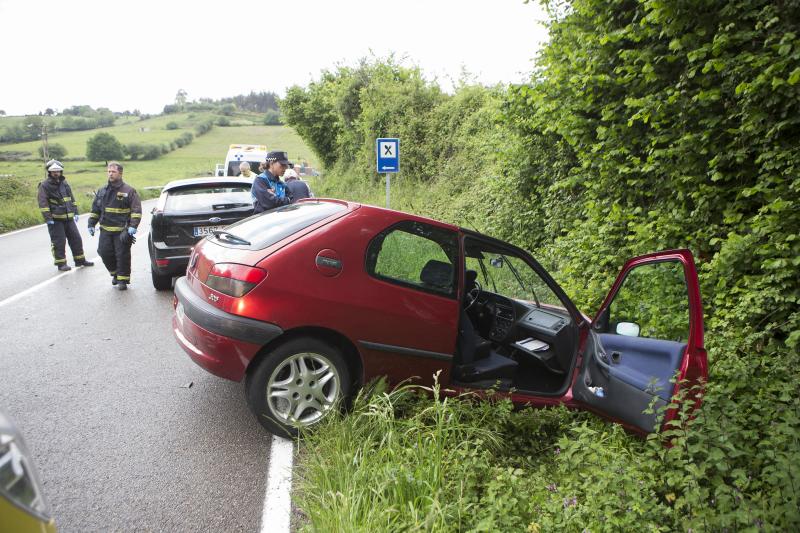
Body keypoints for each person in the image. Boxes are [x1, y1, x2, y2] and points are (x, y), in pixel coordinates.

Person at [87, 162, 142, 290]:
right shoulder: (102, 190)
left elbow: (136, 210)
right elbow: (96, 209)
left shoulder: (129, 191)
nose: (110, 174)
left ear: (120, 173)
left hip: (122, 230)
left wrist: (132, 227)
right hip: (105, 230)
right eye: (109, 171)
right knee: (103, 252)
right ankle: (115, 274)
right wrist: (91, 223)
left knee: (122, 255)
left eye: (113, 172)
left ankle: (122, 280)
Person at [37, 160, 94, 271]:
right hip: (55, 220)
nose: (56, 173)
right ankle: (61, 264)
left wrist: (76, 211)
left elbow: (71, 198)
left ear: (61, 171)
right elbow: (43, 203)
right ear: (49, 172)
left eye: (58, 171)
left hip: (69, 218)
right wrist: (48, 218)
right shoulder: (44, 185)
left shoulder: (64, 183)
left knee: (76, 239)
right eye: (53, 171)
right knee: (59, 242)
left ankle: (80, 260)